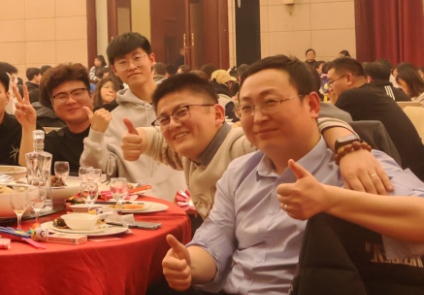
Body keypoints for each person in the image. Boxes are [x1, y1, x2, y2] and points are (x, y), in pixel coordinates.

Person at [74, 55, 424, 295]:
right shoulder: (241, 170)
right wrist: (190, 263)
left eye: (270, 102)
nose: (257, 116)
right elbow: (215, 239)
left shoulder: (356, 164)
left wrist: (330, 199)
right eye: (246, 107)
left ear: (312, 104)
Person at [122, 72, 389, 220]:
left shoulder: (243, 147)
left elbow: (308, 124)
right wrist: (141, 138)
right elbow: (162, 141)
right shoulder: (192, 152)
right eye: (164, 119)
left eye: (182, 112)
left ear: (218, 114)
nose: (173, 124)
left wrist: (348, 145)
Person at [80, 32, 186, 201]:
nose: (131, 66)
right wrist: (96, 135)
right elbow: (97, 172)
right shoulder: (113, 118)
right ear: (115, 70)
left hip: (183, 204)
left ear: (151, 59)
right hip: (135, 207)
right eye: (123, 62)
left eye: (137, 58)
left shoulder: (181, 105)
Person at [327, 56, 424, 180]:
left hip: (405, 176)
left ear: (348, 78)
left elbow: (331, 126)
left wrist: (335, 104)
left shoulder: (351, 96)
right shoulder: (372, 93)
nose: (329, 88)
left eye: (330, 81)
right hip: (416, 169)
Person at [39, 64, 95, 174]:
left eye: (77, 93)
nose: (71, 101)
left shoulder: (112, 132)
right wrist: (28, 126)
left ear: (91, 95)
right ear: (52, 103)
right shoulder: (53, 142)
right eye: (62, 96)